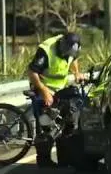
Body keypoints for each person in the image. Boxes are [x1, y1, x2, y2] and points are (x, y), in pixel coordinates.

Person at [27, 32, 84, 168]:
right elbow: (32, 72)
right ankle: (43, 160)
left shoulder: (73, 50)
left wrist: (76, 73)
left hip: (59, 89)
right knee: (47, 124)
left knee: (66, 122)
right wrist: (44, 90)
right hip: (42, 87)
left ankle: (64, 160)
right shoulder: (46, 50)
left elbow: (73, 59)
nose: (66, 54)